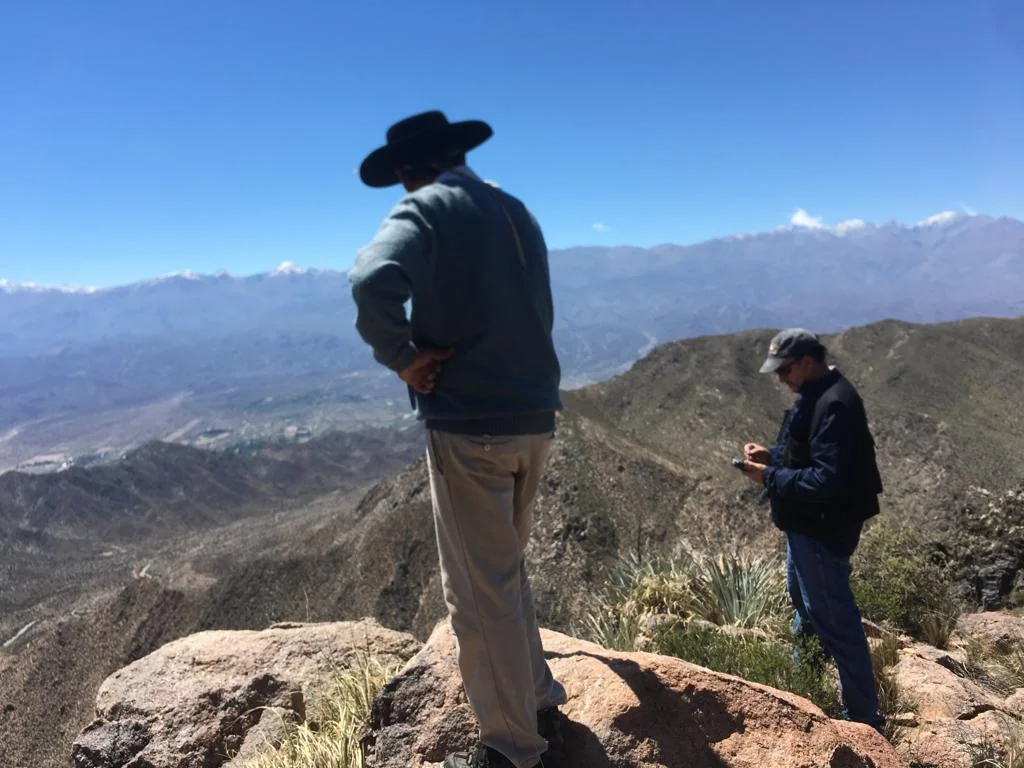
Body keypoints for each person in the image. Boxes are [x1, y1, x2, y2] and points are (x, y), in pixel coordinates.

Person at [348, 110, 567, 768]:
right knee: (505, 572)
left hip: (472, 426)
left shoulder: (431, 208)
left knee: (475, 594)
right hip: (534, 418)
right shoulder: (513, 210)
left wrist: (403, 356)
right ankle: (538, 695)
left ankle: (510, 748)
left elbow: (370, 278)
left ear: (408, 172)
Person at [740, 328, 885, 733]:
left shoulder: (836, 403)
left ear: (806, 361)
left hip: (823, 531)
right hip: (804, 527)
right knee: (805, 605)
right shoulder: (814, 394)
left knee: (835, 619)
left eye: (784, 370)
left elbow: (826, 481)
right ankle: (804, 687)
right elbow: (808, 457)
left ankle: (864, 719)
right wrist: (773, 458)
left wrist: (770, 477)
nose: (780, 379)